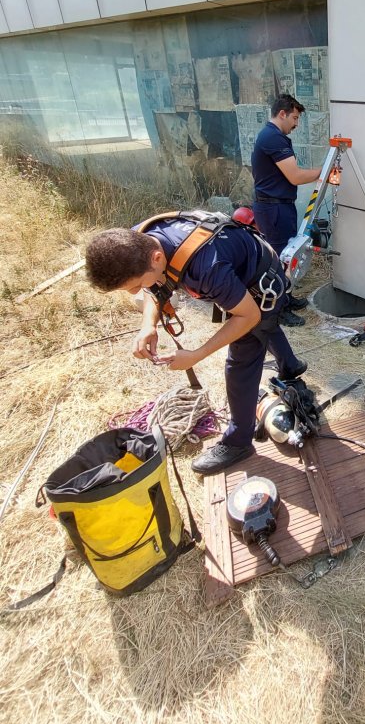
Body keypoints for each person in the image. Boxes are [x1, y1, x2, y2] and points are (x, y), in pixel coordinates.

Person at [85, 216, 307, 476]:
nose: (134, 292)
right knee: (264, 328)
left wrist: (196, 355)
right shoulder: (138, 239)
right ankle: (290, 366)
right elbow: (154, 288)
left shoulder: (205, 268)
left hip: (262, 284)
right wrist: (148, 325)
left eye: (135, 285)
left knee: (242, 358)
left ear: (157, 258)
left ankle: (239, 441)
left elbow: (249, 316)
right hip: (242, 262)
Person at [251, 95, 323, 327]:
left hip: (279, 206)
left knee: (287, 255)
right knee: (280, 258)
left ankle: (287, 298)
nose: (296, 123)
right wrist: (323, 172)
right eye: (294, 117)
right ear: (282, 114)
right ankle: (278, 310)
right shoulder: (272, 137)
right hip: (273, 208)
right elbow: (295, 176)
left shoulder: (274, 136)